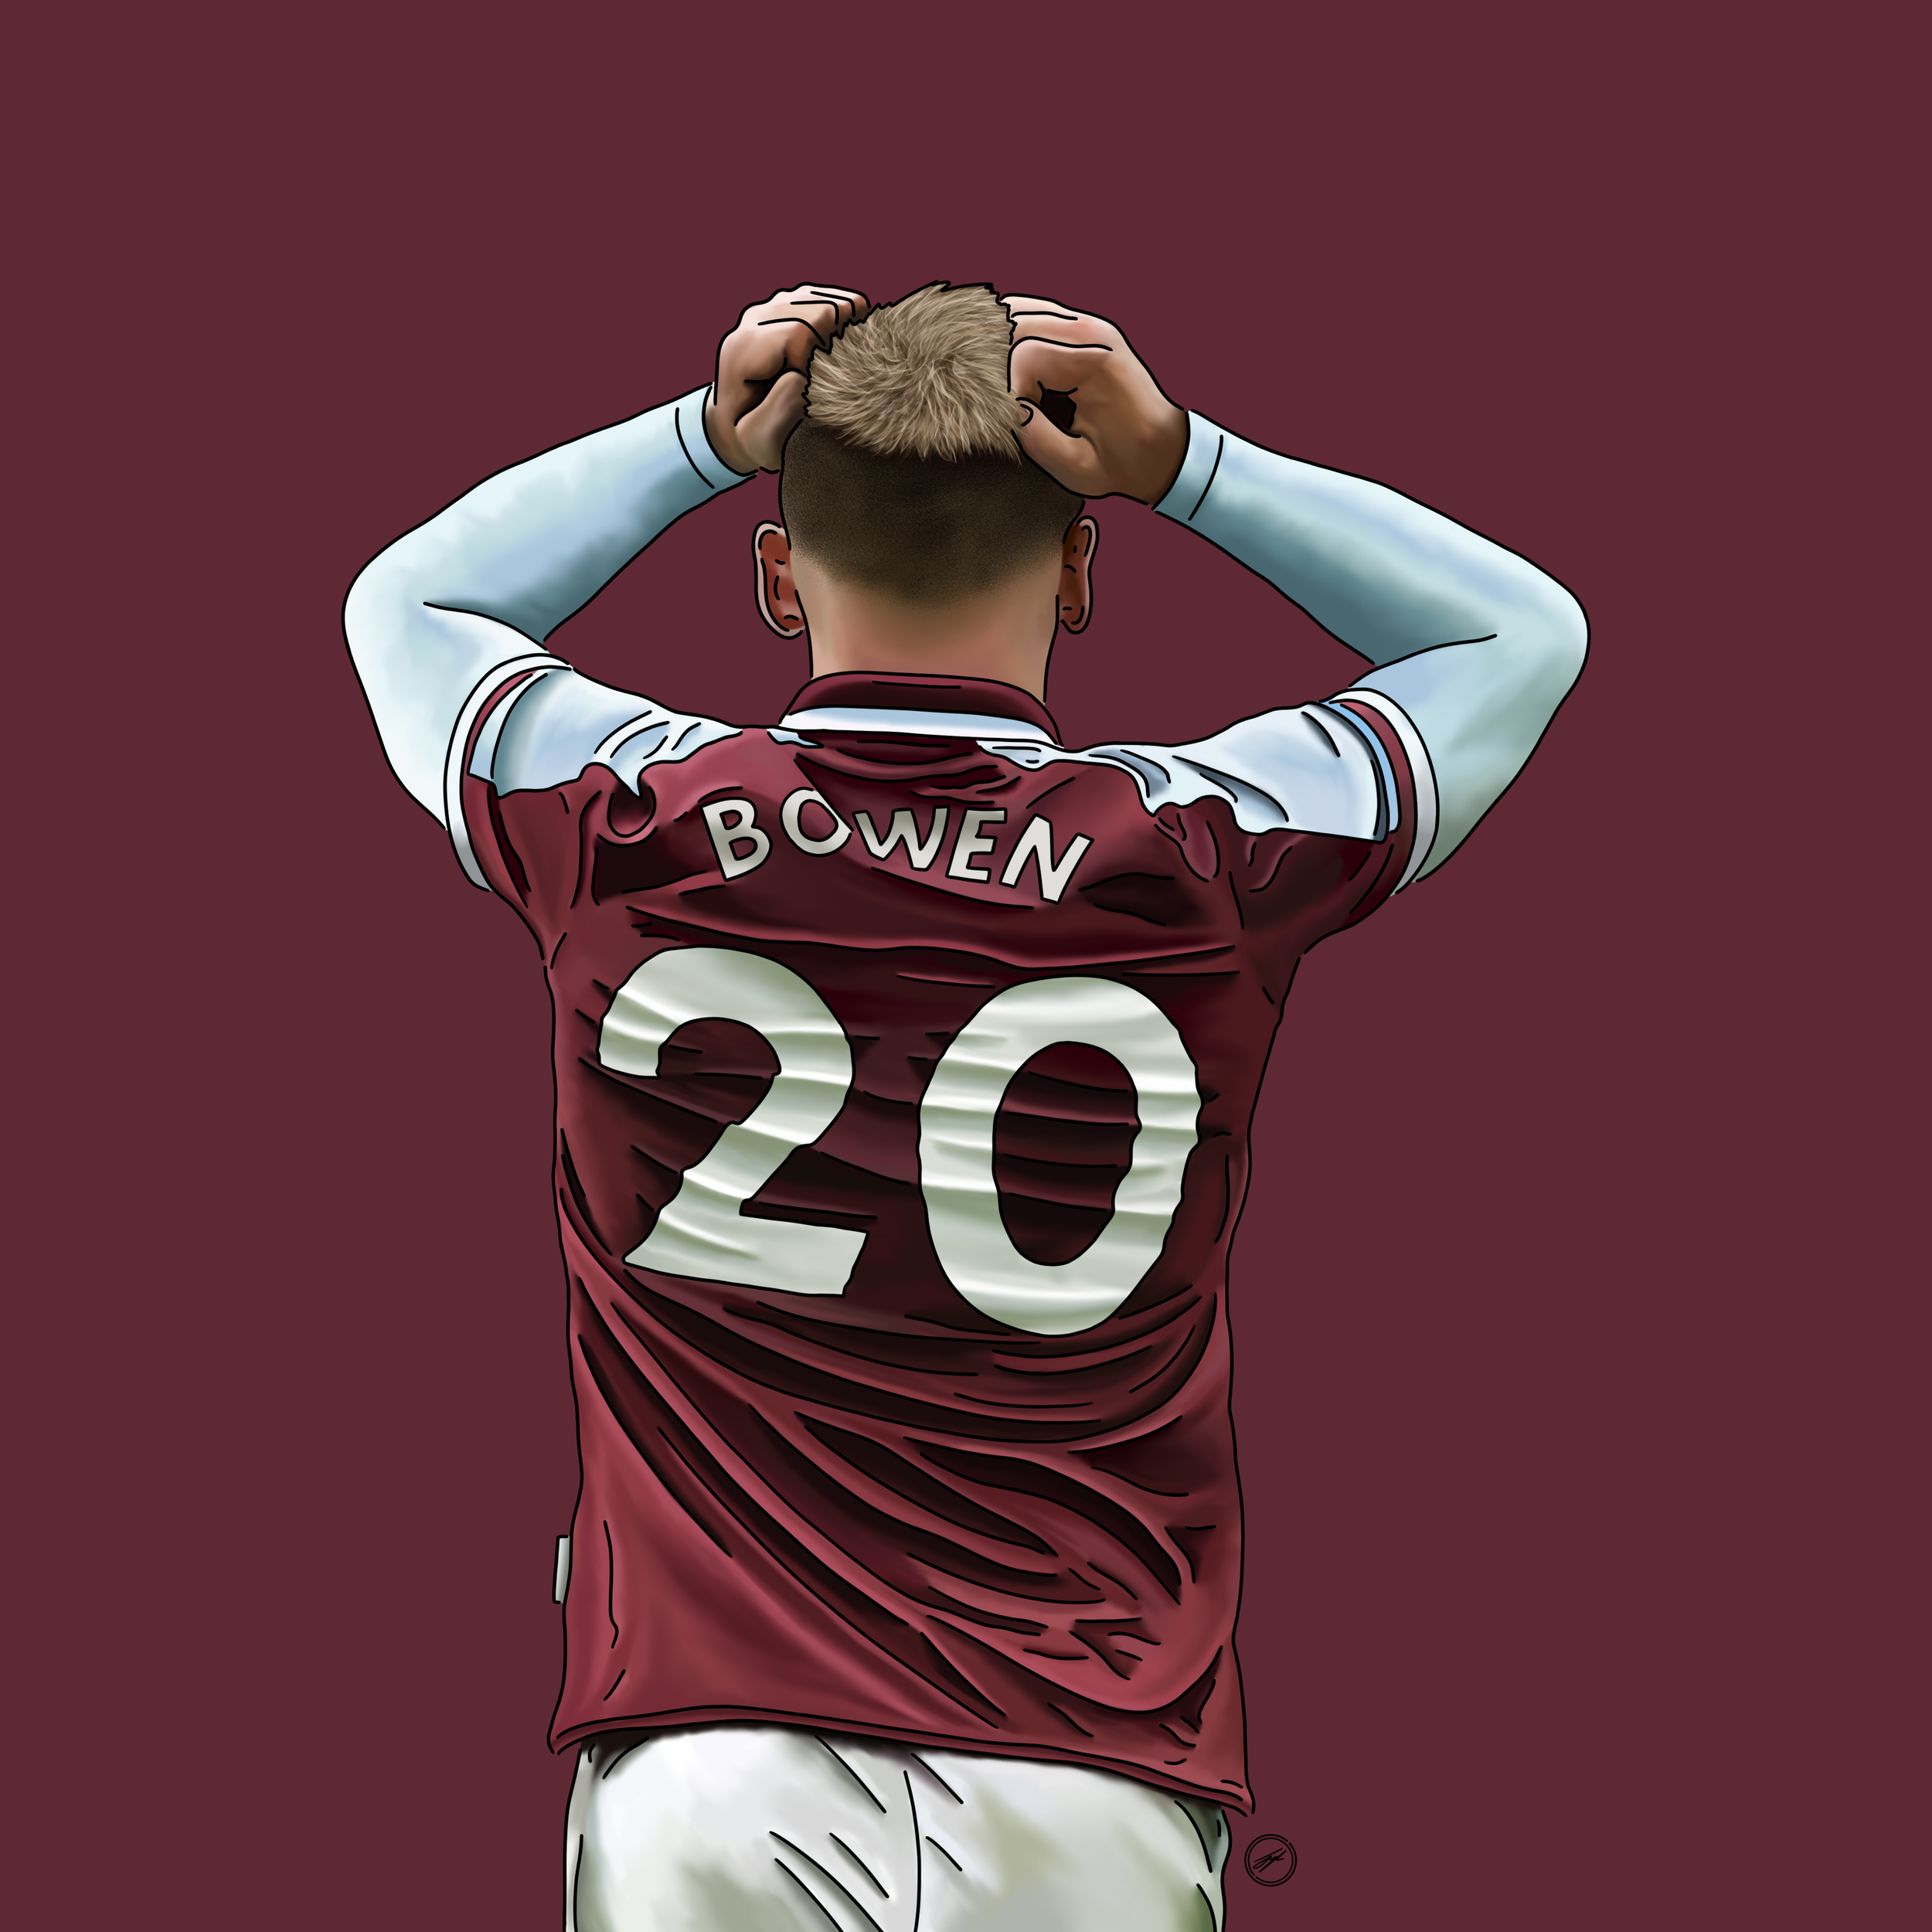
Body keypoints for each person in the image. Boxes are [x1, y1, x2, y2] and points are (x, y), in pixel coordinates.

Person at [345, 281, 1585, 1931]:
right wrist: (1188, 466)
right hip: (1089, 1758)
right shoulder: (1201, 851)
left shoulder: (614, 811)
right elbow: (1519, 633)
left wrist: (694, 442)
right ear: (1078, 572)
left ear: (777, 576)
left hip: (711, 1757)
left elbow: (408, 598)